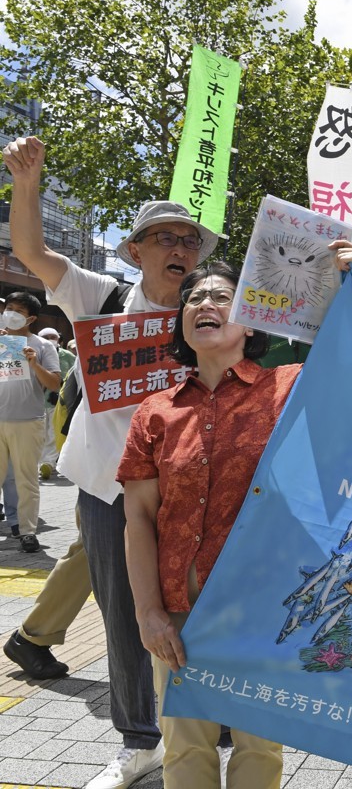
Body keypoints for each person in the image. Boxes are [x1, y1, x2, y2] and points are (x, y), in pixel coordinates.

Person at [2, 134, 219, 788]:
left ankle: (212, 721)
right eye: (165, 238)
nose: (179, 249)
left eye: (189, 241)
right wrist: (28, 183)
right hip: (106, 490)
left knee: (199, 607)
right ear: (136, 251)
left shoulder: (209, 311)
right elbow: (32, 253)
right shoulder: (101, 298)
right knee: (123, 615)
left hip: (189, 493)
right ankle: (139, 740)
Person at [118, 255, 351, 788]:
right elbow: (138, 517)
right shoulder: (156, 412)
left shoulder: (290, 389)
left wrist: (346, 281)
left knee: (258, 751)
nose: (205, 304)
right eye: (194, 299)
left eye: (222, 296)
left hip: (262, 608)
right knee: (185, 751)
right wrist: (148, 613)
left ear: (251, 318)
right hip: (179, 612)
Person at [0, 292, 61, 552]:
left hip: (28, 421)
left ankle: (27, 531)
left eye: (18, 310)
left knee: (27, 480)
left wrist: (34, 363)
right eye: (8, 307)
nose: (10, 313)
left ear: (31, 318)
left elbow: (54, 383)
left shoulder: (43, 346)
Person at [36, 325, 73, 479]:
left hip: (58, 403)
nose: (50, 340)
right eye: (46, 337)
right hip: (35, 402)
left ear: (59, 339)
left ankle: (48, 463)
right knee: (38, 434)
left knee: (52, 432)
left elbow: (73, 376)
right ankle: (38, 462)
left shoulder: (68, 357)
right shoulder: (34, 353)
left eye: (53, 337)